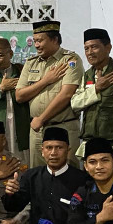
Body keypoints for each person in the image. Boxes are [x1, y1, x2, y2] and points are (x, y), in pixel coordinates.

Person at [71, 28, 113, 182]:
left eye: (94, 47)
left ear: (108, 48)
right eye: (86, 48)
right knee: (91, 190)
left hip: (112, 147)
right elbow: (75, 103)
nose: (89, 52)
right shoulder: (88, 74)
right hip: (90, 147)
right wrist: (96, 88)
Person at [15, 21, 83, 168]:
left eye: (40, 41)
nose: (36, 45)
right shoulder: (31, 63)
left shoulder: (70, 60)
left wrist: (41, 118)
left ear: (55, 39)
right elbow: (19, 96)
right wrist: (45, 81)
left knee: (68, 173)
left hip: (63, 127)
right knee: (38, 174)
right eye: (35, 41)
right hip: (37, 131)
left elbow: (66, 94)